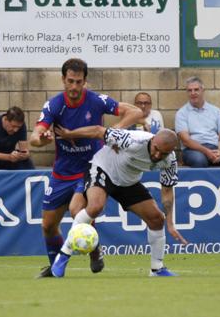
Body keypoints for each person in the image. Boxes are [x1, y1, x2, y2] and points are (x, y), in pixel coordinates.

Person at [30, 58, 143, 278]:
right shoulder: (53, 105)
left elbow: (136, 112)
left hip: (91, 167)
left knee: (77, 210)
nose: (74, 87)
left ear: (85, 81)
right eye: (70, 81)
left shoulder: (96, 101)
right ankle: (55, 266)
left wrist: (113, 132)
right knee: (48, 225)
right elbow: (34, 138)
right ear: (63, 79)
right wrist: (42, 139)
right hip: (62, 173)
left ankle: (94, 251)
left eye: (78, 82)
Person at [50, 126, 187, 277]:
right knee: (95, 207)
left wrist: (170, 223)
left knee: (156, 219)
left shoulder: (170, 161)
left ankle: (157, 269)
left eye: (164, 153)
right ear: (152, 139)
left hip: (128, 182)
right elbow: (97, 130)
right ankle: (63, 255)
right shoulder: (132, 140)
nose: (157, 155)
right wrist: (70, 133)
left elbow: (167, 192)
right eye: (156, 149)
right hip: (103, 169)